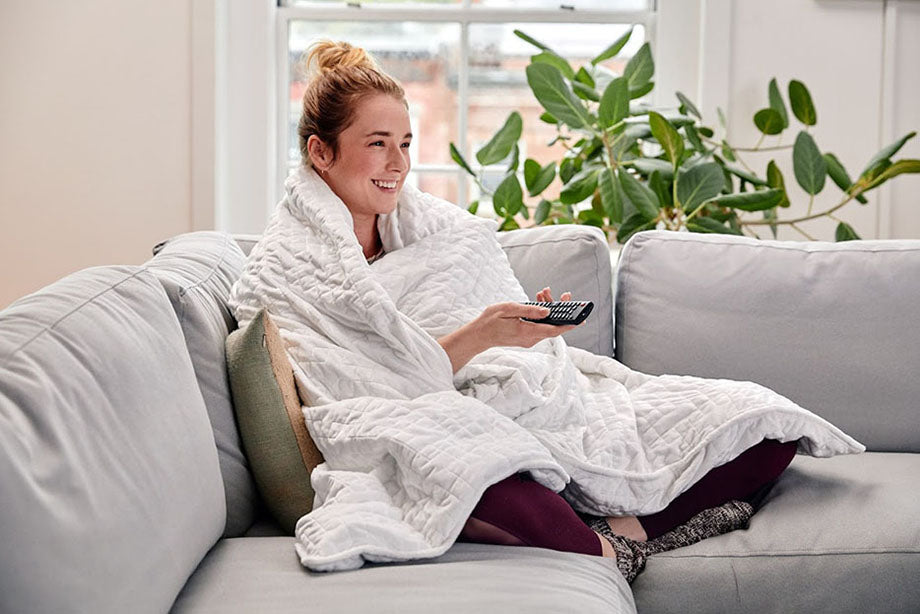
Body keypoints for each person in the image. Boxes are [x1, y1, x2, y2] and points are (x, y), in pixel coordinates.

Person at [287, 40, 798, 583]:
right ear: (322, 152)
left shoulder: (440, 229)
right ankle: (611, 545)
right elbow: (365, 394)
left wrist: (523, 331)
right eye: (378, 143)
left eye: (406, 143)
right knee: (468, 468)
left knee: (766, 429)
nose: (399, 164)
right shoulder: (292, 267)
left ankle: (616, 534)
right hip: (434, 421)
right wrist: (483, 335)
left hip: (522, 399)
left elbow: (486, 318)